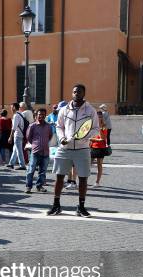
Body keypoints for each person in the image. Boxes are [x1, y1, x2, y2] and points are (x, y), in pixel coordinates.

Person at [48, 84, 99, 218]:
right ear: (72, 93)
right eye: (75, 91)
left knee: (83, 178)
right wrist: (62, 138)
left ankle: (81, 207)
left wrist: (83, 137)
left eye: (79, 91)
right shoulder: (64, 110)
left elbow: (95, 129)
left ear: (84, 94)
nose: (77, 93)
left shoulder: (90, 110)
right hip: (64, 148)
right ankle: (56, 205)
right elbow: (59, 126)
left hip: (82, 148)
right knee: (59, 177)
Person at [25, 108, 52, 194]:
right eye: (40, 114)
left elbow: (50, 136)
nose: (41, 116)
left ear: (45, 115)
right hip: (35, 152)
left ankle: (39, 186)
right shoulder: (32, 126)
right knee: (31, 170)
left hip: (45, 152)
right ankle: (28, 187)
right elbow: (28, 137)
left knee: (43, 171)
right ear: (36, 115)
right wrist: (35, 144)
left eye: (43, 114)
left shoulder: (48, 126)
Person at [7, 102, 29, 170]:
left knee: (19, 150)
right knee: (15, 149)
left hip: (18, 134)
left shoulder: (16, 115)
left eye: (11, 107)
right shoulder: (20, 114)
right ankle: (11, 163)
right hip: (21, 134)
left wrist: (10, 137)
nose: (10, 108)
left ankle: (22, 165)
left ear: (14, 107)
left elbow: (14, 127)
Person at [90, 111, 109, 187]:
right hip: (93, 147)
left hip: (101, 148)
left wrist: (100, 128)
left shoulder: (104, 127)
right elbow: (90, 137)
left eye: (100, 117)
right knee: (88, 165)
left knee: (99, 165)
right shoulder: (92, 126)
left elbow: (103, 138)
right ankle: (85, 180)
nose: (98, 118)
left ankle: (97, 182)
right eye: (97, 117)